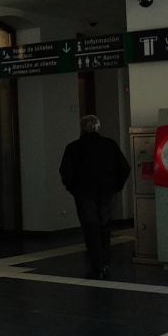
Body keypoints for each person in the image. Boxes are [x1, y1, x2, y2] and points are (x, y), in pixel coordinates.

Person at [59, 114, 131, 280]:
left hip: (84, 193)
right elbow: (124, 168)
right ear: (98, 127)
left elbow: (65, 172)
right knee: (104, 227)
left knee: (90, 228)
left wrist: (74, 189)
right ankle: (105, 263)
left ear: (81, 128)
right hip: (106, 192)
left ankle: (96, 265)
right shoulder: (109, 145)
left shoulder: (73, 147)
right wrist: (116, 187)